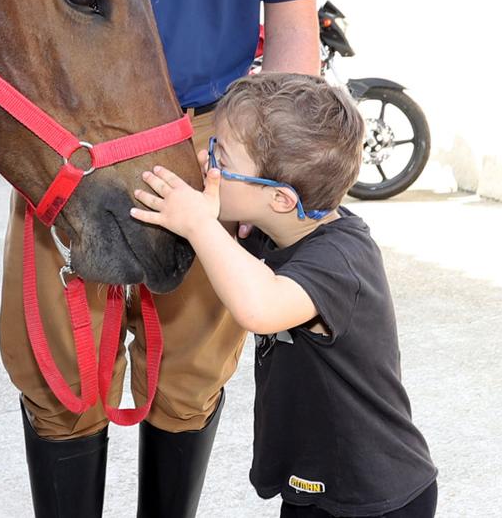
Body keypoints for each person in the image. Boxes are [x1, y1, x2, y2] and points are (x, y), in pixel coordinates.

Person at [0, 0, 338, 517]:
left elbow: (293, 23)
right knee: (60, 373)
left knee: (190, 375)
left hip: (208, 136)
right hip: (71, 127)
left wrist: (271, 167)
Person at [130, 72, 438, 518]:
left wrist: (198, 225)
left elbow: (258, 307)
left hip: (374, 496)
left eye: (221, 156)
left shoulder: (341, 262)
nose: (205, 158)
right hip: (315, 481)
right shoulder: (279, 229)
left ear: (278, 199)